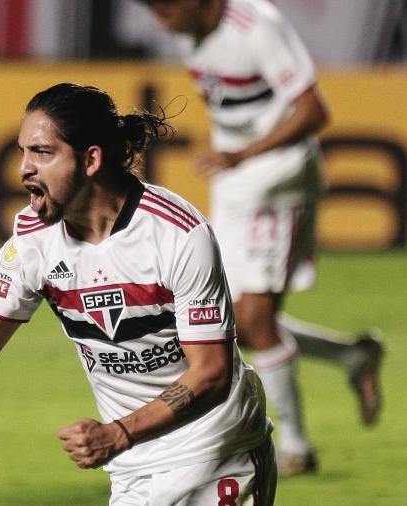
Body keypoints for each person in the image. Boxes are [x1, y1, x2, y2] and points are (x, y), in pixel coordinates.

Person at [0, 83, 276, 504]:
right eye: (22, 151)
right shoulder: (32, 239)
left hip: (215, 453)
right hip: (132, 464)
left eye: (42, 152)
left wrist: (118, 432)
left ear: (92, 159)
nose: (24, 168)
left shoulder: (178, 234)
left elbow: (211, 373)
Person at [140, 0, 385, 475]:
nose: (159, 20)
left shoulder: (258, 26)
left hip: (278, 181)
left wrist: (246, 153)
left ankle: (295, 447)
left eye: (165, 7)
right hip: (234, 185)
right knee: (227, 319)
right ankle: (352, 355)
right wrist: (234, 159)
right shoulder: (190, 33)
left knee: (254, 318)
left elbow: (314, 110)